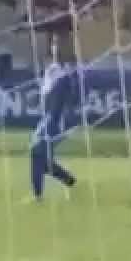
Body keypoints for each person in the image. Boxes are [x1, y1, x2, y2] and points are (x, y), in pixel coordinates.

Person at [28, 30, 79, 202]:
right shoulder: (52, 69)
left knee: (36, 151)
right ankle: (70, 182)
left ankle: (38, 197)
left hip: (59, 120)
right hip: (48, 118)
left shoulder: (71, 72)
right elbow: (47, 95)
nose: (56, 48)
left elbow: (72, 99)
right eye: (54, 44)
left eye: (60, 44)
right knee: (40, 156)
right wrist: (39, 98)